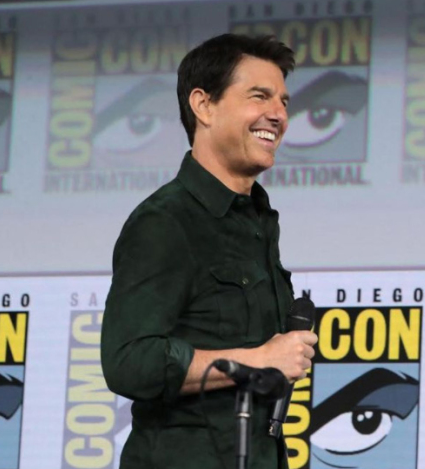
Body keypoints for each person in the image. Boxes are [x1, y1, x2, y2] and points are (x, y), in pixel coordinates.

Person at [101, 33, 318, 469]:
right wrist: (258, 360)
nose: (278, 115)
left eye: (283, 102)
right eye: (259, 96)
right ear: (203, 105)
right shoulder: (166, 221)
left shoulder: (257, 221)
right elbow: (129, 362)